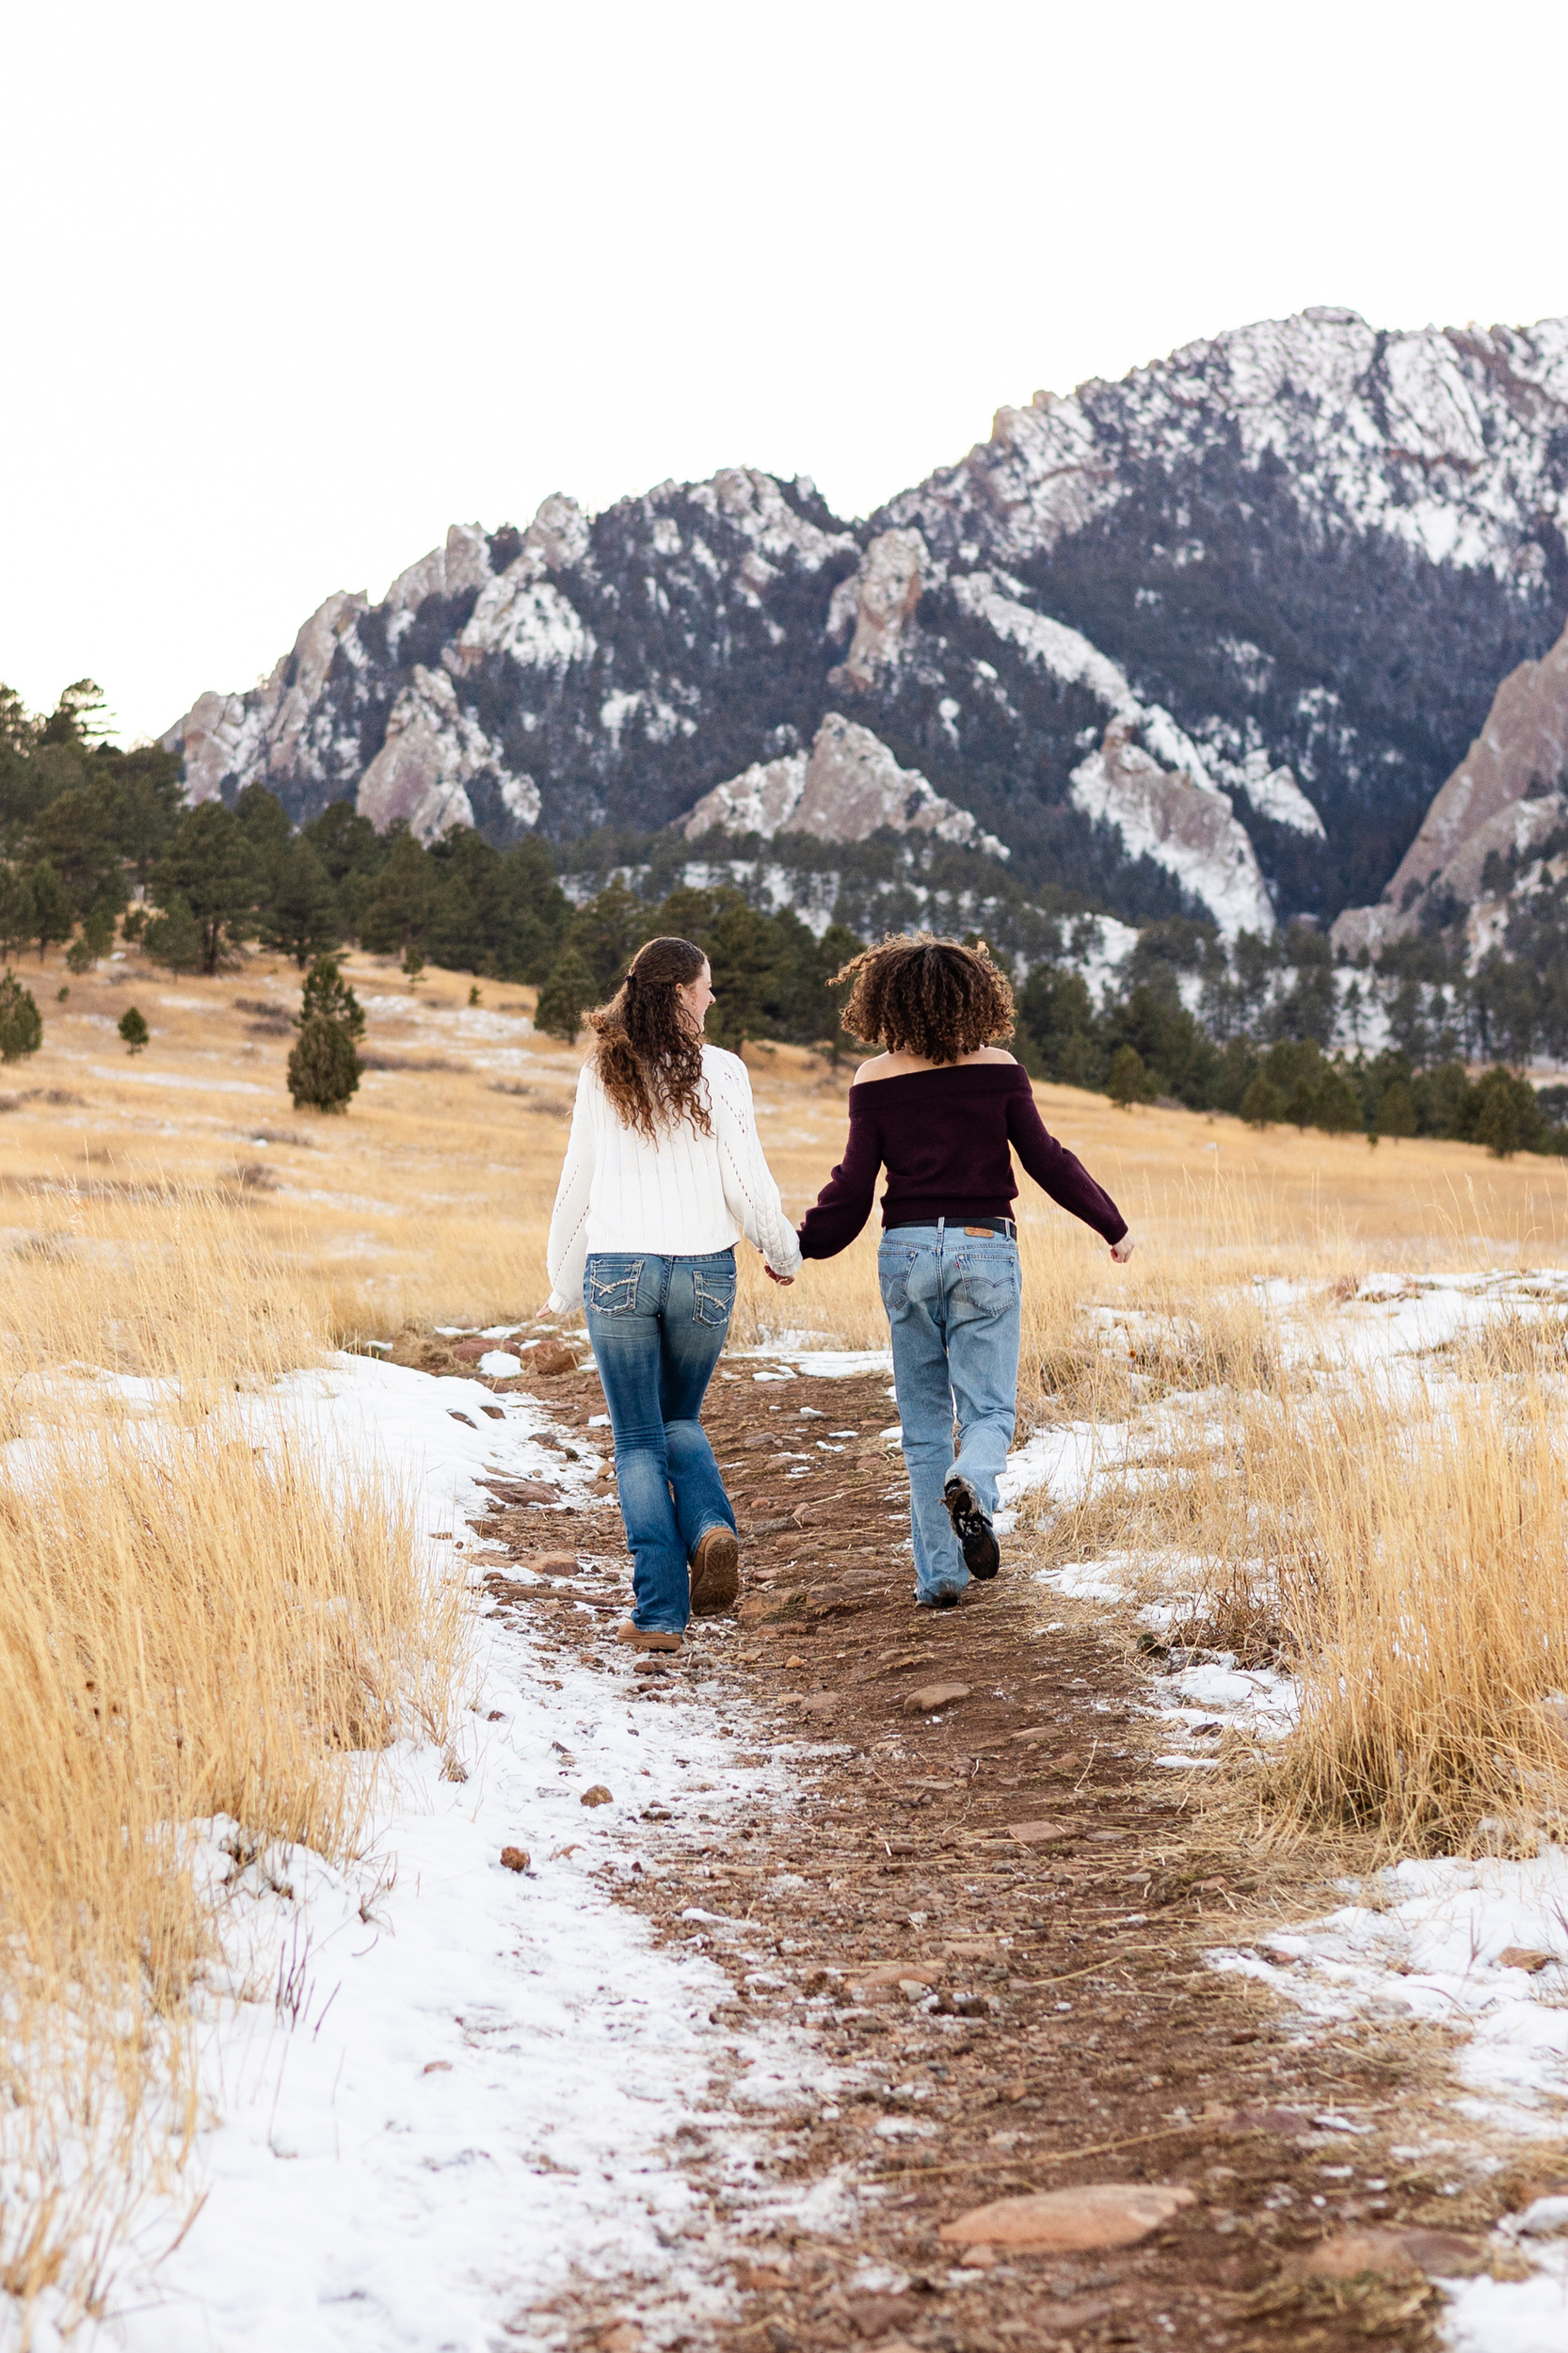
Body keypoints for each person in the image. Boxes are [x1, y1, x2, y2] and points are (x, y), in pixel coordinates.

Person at [797, 934, 1132, 1609]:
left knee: (922, 1420)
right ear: (974, 997)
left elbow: (852, 1188)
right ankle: (973, 1477)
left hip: (908, 1250)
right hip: (985, 1246)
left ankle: (941, 1579)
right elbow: (1047, 1158)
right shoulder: (1000, 1069)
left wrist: (800, 1245)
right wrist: (1111, 1225)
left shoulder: (874, 1080)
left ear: (886, 1001)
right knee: (988, 1410)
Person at [541, 936, 802, 1654]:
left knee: (636, 1441)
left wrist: (562, 1285)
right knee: (678, 1419)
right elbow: (747, 1185)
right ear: (681, 994)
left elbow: (577, 1186)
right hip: (705, 1274)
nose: (713, 998)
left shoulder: (602, 1072)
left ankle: (659, 1613)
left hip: (618, 1271)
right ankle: (711, 1527)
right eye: (706, 987)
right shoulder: (723, 1072)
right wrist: (784, 1251)